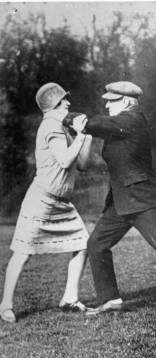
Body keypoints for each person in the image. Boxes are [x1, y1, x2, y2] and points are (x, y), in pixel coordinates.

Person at [65, 81, 156, 314]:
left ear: (126, 101)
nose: (106, 104)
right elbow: (101, 127)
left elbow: (99, 123)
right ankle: (110, 300)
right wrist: (70, 119)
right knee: (96, 244)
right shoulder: (120, 124)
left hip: (144, 200)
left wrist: (75, 119)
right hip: (121, 201)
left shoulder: (132, 120)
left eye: (111, 100)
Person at [0, 83, 93, 323]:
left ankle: (70, 299)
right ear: (54, 105)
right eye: (64, 101)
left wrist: (88, 134)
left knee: (83, 244)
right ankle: (5, 305)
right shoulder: (51, 125)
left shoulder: (63, 127)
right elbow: (64, 160)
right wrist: (80, 135)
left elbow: (82, 164)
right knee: (23, 252)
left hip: (62, 202)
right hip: (41, 199)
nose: (69, 104)